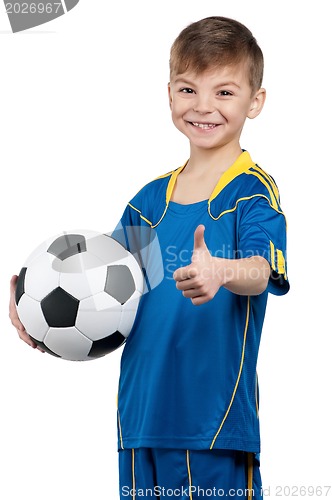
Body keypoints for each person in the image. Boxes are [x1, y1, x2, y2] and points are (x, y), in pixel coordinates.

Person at [10, 16, 289, 500]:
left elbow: (261, 272)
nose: (203, 106)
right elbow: (109, 298)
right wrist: (41, 326)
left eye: (224, 92)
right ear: (169, 95)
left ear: (255, 101)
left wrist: (222, 271)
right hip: (140, 422)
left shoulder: (250, 193)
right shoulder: (148, 202)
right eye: (188, 90)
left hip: (213, 426)